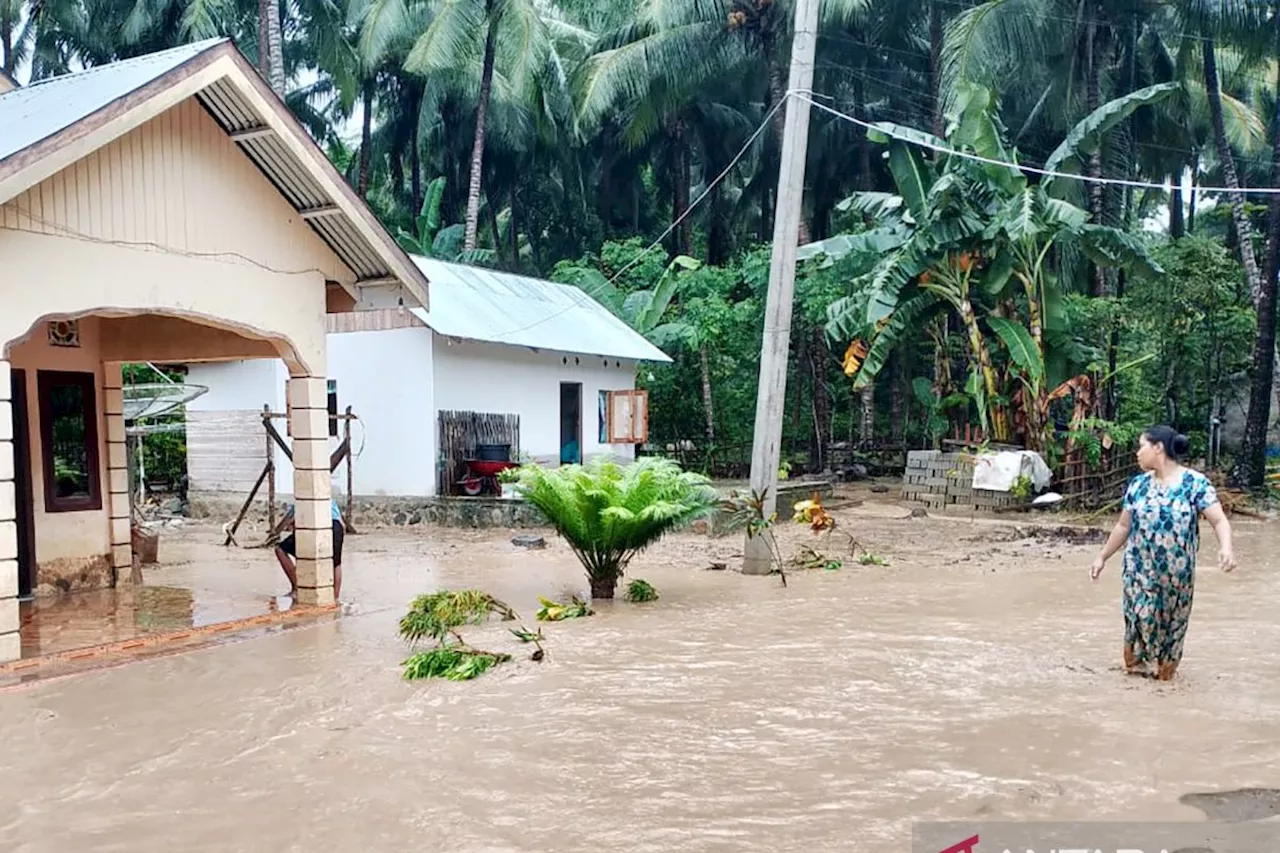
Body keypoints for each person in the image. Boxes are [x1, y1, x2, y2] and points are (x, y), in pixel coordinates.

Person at [1089, 426, 1236, 680]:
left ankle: (1163, 688)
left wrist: (1226, 548)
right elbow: (1123, 526)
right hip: (1139, 572)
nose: (1137, 453)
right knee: (1140, 618)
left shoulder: (1194, 483)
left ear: (1158, 448)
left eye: (1141, 446)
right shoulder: (1138, 485)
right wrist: (1102, 557)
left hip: (1178, 579)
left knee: (1173, 632)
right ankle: (1135, 678)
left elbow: (1219, 520)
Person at [275, 498, 345, 602]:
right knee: (336, 563)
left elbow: (292, 521)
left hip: (315, 525)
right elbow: (342, 524)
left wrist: (284, 529)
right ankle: (335, 598)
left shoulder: (302, 499)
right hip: (335, 526)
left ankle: (296, 588)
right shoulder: (329, 499)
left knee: (280, 550)